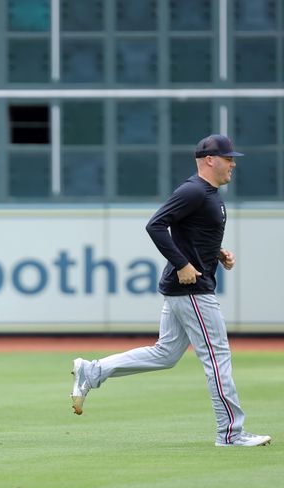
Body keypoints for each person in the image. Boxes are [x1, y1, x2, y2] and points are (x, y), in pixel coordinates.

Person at [69, 134, 271, 447]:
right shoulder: (193, 190)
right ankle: (230, 433)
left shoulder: (208, 193)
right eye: (228, 158)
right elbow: (156, 225)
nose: (233, 163)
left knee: (165, 353)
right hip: (193, 289)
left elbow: (191, 232)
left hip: (186, 287)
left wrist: (217, 252)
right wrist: (182, 263)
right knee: (218, 358)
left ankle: (93, 372)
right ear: (209, 160)